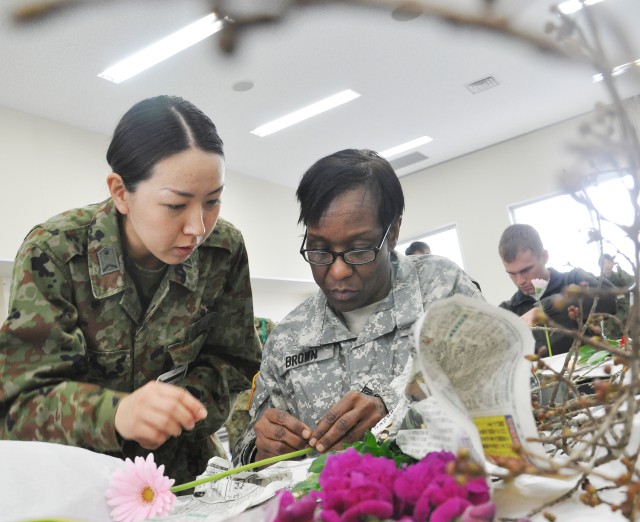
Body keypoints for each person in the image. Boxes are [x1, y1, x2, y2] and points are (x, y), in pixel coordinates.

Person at [0, 95, 261, 484]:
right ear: (121, 192)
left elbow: (235, 361)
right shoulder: (54, 251)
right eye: (176, 205)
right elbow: (18, 405)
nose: (198, 228)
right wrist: (117, 414)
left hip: (184, 474)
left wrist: (181, 406)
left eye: (213, 201)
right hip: (81, 480)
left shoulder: (222, 251)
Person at [233, 148, 482, 465]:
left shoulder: (442, 289)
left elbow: (496, 386)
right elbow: (246, 450)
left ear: (392, 232)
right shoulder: (288, 338)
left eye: (358, 249)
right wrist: (260, 448)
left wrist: (392, 405)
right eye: (320, 250)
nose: (337, 271)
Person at [498, 224, 617, 356]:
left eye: (526, 270)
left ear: (544, 256)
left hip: (590, 374)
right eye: (512, 273)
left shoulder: (574, 279)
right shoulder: (508, 311)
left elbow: (609, 297)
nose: (520, 280)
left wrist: (545, 308)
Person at [224, 316, 276, 456]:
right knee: (238, 449)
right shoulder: (227, 326)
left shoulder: (265, 325)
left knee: (265, 446)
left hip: (263, 398)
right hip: (238, 403)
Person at [600, 254, 634, 339]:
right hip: (612, 326)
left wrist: (619, 267)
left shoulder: (619, 277)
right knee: (615, 349)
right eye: (603, 263)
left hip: (627, 322)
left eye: (608, 262)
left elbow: (631, 281)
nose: (606, 265)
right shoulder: (599, 283)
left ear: (612, 263)